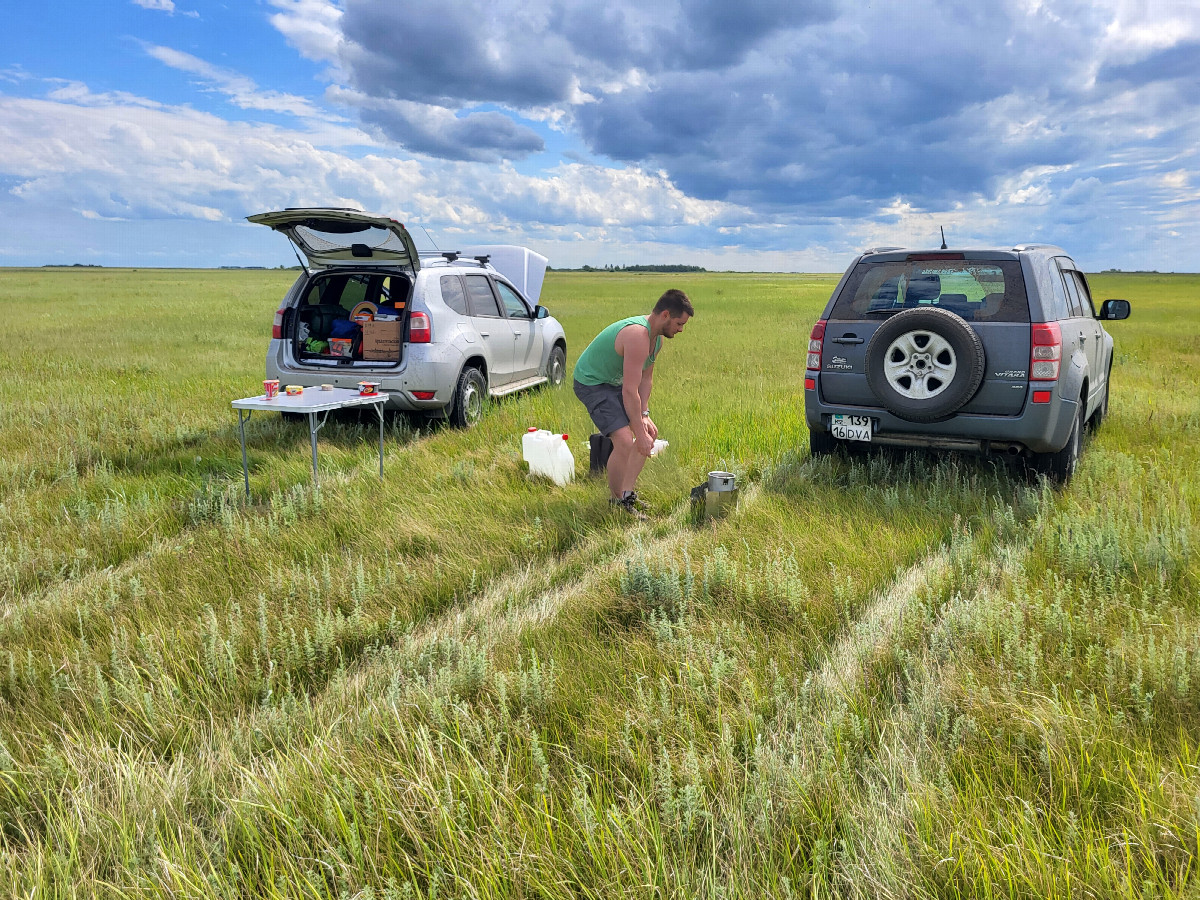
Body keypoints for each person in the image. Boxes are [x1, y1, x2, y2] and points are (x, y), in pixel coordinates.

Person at [572, 289, 694, 518]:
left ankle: (626, 494)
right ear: (665, 315)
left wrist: (644, 416)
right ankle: (616, 500)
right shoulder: (638, 335)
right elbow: (629, 390)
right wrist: (636, 427)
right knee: (626, 441)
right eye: (679, 323)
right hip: (592, 383)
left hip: (613, 383)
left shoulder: (655, 341)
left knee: (648, 432)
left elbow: (645, 380)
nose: (681, 329)